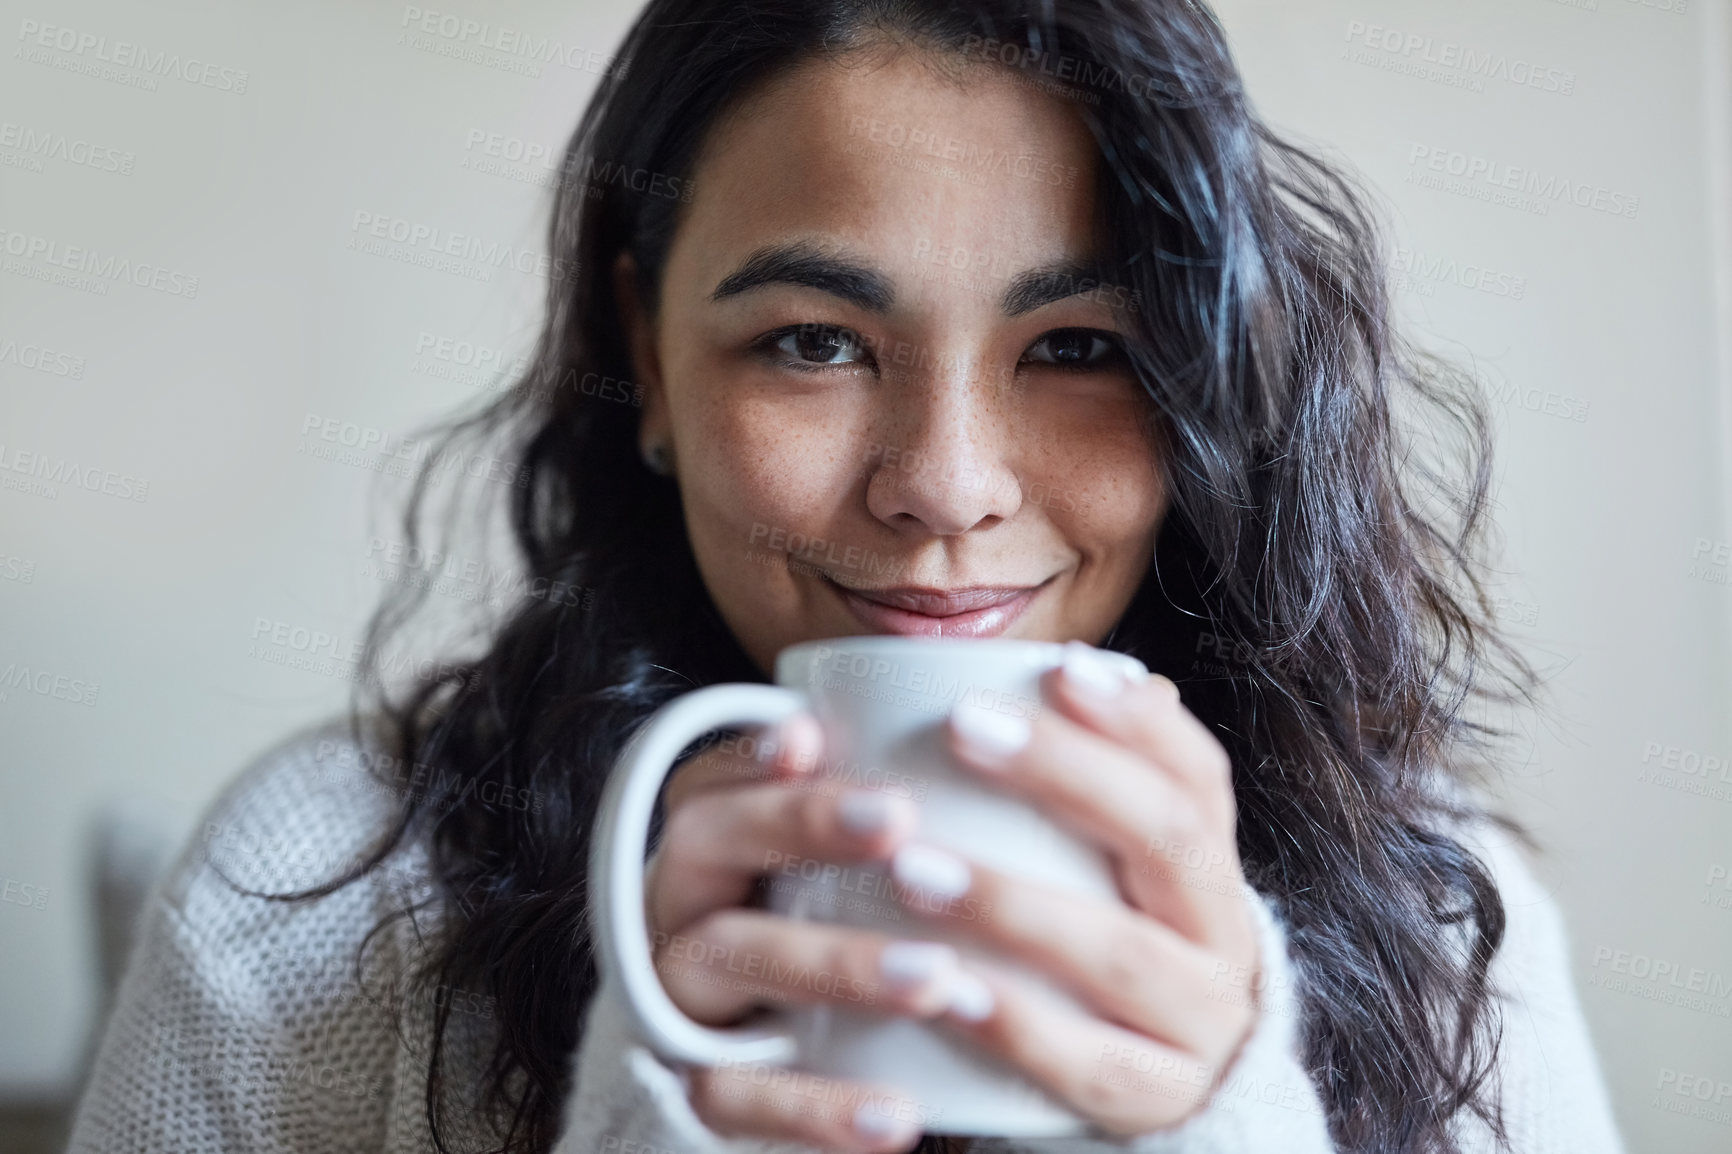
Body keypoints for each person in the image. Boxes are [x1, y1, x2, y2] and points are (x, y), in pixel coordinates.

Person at [64, 1, 1628, 1152]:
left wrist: (1228, 1117)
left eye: (1079, 348)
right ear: (648, 358)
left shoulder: (1432, 908)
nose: (945, 482)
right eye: (814, 342)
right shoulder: (316, 903)